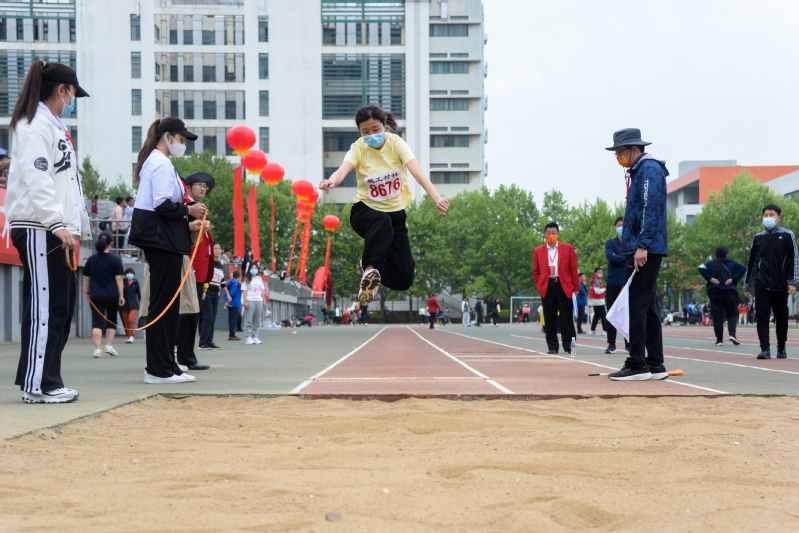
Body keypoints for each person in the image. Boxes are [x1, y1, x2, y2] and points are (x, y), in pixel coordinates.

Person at [6, 60, 91, 403]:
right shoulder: (34, 125)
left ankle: (48, 379)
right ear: (61, 89)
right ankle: (37, 385)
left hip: (55, 228)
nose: (72, 101)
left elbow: (67, 183)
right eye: (72, 94)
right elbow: (37, 176)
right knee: (46, 307)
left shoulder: (52, 125)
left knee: (61, 307)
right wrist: (56, 223)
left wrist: (73, 225)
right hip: (40, 227)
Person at [319, 104, 450, 305]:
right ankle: (369, 267)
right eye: (365, 132)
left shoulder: (396, 144)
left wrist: (436, 197)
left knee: (404, 278)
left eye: (376, 129)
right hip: (365, 213)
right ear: (359, 132)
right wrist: (332, 181)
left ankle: (373, 267)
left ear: (384, 125)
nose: (371, 135)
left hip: (396, 216)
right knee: (382, 221)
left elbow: (417, 173)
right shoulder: (358, 148)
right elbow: (343, 169)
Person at [129, 116, 204, 385]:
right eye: (181, 139)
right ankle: (157, 369)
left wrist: (187, 210)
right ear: (167, 137)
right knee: (163, 306)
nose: (183, 144)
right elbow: (162, 204)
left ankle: (166, 365)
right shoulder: (159, 162)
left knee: (167, 305)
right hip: (161, 240)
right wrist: (189, 210)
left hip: (164, 239)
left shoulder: (160, 161)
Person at [605, 128, 669, 380]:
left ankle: (637, 363)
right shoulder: (640, 170)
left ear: (634, 149)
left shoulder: (648, 170)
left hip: (644, 248)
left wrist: (642, 246)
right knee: (649, 306)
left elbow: (648, 208)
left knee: (636, 306)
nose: (618, 158)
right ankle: (655, 364)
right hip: (643, 246)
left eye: (620, 152)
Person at [743, 204, 798, 359]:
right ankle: (765, 349)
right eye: (765, 215)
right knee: (762, 317)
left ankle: (781, 347)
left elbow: (794, 260)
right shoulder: (758, 238)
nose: (768, 217)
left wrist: (792, 282)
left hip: (781, 284)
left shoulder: (787, 235)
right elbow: (752, 263)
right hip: (761, 283)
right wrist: (747, 284)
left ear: (778, 218)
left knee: (781, 317)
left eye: (771, 215)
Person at [533, 222, 580, 355]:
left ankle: (569, 346)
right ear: (544, 234)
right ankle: (552, 346)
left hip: (563, 285)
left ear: (558, 234)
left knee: (566, 318)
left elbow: (574, 270)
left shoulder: (568, 248)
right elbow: (535, 272)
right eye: (548, 233)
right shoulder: (538, 251)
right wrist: (539, 284)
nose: (551, 235)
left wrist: (576, 288)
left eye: (553, 233)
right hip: (547, 286)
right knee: (549, 319)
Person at [83, 233, 124, 358]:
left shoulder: (91, 259)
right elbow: (119, 279)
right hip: (112, 295)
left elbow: (87, 279)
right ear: (111, 243)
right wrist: (121, 295)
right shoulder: (115, 259)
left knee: (97, 322)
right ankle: (109, 346)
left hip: (95, 295)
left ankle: (97, 349)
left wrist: (88, 293)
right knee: (112, 320)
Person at [698, 245, 747, 346]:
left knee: (717, 316)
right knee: (732, 314)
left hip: (715, 292)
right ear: (727, 253)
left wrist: (710, 279)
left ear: (716, 254)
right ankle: (732, 334)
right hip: (730, 292)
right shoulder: (733, 262)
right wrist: (733, 279)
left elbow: (700, 267)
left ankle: (719, 340)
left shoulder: (711, 263)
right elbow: (743, 268)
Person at [605, 216, 629, 353]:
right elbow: (611, 257)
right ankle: (611, 344)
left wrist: (618, 257)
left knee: (627, 313)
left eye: (624, 225)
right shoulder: (610, 243)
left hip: (627, 282)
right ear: (615, 227)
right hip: (613, 282)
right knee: (611, 313)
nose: (621, 228)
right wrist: (625, 258)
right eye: (619, 225)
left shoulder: (631, 243)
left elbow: (632, 258)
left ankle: (629, 344)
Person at [200, 242, 225, 348]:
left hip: (216, 293)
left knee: (213, 319)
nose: (217, 250)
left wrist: (228, 294)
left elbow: (222, 281)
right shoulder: (208, 262)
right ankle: (202, 342)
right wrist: (203, 291)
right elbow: (204, 276)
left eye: (219, 249)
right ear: (211, 250)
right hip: (207, 292)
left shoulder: (221, 264)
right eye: (215, 249)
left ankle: (209, 341)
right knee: (208, 318)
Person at [242, 264, 266, 345]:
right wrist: (245, 301)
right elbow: (244, 291)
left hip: (259, 300)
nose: (254, 269)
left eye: (255, 268)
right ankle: (248, 337)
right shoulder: (246, 279)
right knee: (248, 319)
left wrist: (264, 301)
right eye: (252, 268)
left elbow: (262, 290)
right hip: (250, 300)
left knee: (257, 320)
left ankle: (255, 336)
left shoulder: (259, 278)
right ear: (249, 269)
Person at [120, 268, 141, 344]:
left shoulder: (135, 282)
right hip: (125, 304)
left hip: (134, 304)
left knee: (131, 320)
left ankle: (132, 335)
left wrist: (140, 301)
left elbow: (139, 293)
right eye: (128, 273)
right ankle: (129, 335)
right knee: (126, 322)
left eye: (131, 273)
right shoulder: (123, 282)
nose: (129, 275)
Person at [588, 268, 608, 335]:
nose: (600, 273)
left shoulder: (595, 280)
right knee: (603, 315)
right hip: (598, 301)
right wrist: (604, 289)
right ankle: (605, 330)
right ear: (595, 273)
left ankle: (592, 330)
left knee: (597, 315)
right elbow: (597, 291)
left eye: (601, 272)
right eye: (599, 272)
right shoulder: (596, 281)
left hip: (595, 300)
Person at [224, 270, 242, 340]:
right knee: (233, 320)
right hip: (234, 303)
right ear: (239, 276)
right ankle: (232, 334)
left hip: (232, 303)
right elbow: (232, 293)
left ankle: (232, 334)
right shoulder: (236, 284)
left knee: (232, 319)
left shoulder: (231, 282)